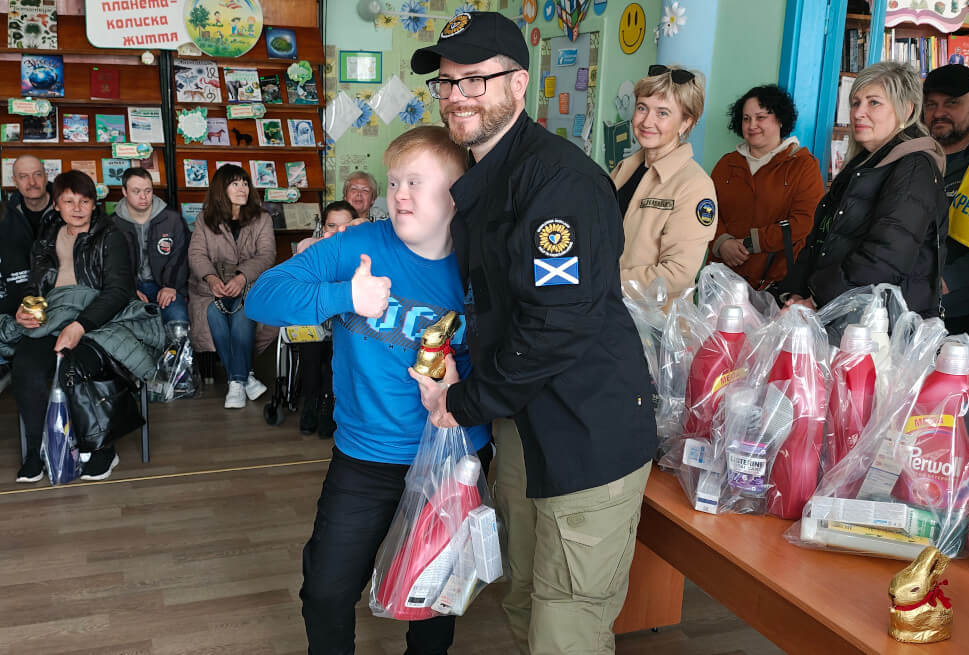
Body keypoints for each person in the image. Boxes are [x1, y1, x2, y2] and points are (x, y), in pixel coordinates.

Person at [409, 12, 656, 654]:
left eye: (475, 80)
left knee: (565, 623)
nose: (458, 95)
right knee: (523, 592)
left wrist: (461, 402)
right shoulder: (481, 176)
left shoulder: (557, 184)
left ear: (519, 86)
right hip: (523, 418)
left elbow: (555, 325)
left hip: (587, 427)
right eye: (447, 82)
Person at [245, 126, 491, 655]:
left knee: (432, 594)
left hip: (453, 459)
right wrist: (345, 293)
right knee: (327, 590)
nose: (399, 194)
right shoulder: (360, 245)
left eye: (416, 183)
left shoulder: (483, 262)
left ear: (456, 193)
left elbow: (517, 355)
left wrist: (462, 390)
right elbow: (261, 297)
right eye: (394, 181)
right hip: (364, 456)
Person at [5, 171, 162, 483]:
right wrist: (26, 308)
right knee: (27, 364)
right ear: (58, 205)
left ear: (94, 205)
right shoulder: (47, 236)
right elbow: (33, 286)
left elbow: (118, 291)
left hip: (98, 317)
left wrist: (80, 325)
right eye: (69, 201)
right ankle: (35, 450)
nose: (77, 208)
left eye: (85, 201)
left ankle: (102, 446)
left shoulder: (111, 235)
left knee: (76, 364)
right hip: (53, 315)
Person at [779, 61, 947, 318]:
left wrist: (815, 300)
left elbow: (885, 256)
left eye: (874, 102)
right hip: (839, 313)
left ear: (906, 109)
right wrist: (795, 293)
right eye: (855, 102)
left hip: (879, 326)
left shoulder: (914, 167)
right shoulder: (864, 162)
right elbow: (821, 240)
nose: (858, 112)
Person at [611, 64, 717, 301]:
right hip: (608, 311)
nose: (647, 122)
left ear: (685, 122)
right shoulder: (623, 170)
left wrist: (602, 281)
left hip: (654, 326)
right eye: (642, 108)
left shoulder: (694, 186)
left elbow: (677, 274)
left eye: (662, 113)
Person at [710, 84, 824, 289]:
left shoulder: (803, 164)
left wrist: (753, 242)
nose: (752, 125)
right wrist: (722, 242)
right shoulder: (726, 164)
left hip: (775, 282)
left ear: (780, 119)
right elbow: (706, 211)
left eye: (760, 117)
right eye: (746, 118)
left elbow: (804, 221)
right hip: (723, 281)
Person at [187, 164, 275, 409]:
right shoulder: (205, 219)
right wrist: (212, 278)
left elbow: (267, 255)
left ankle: (235, 383)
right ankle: (243, 377)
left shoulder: (262, 218)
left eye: (245, 183)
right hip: (210, 288)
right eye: (235, 184)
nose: (242, 189)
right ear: (221, 189)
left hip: (248, 285)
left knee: (241, 310)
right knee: (213, 311)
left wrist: (241, 277)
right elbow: (196, 254)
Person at [922, 64, 969, 350]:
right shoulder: (915, 154)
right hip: (901, 309)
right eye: (931, 104)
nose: (939, 112)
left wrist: (947, 279)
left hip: (959, 316)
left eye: (952, 103)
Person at [295, 200, 359, 438]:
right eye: (331, 225)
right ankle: (310, 402)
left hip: (348, 319)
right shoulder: (309, 247)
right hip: (316, 317)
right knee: (311, 344)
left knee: (340, 345)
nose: (338, 231)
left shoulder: (362, 252)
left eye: (345, 226)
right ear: (323, 227)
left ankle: (327, 404)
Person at [0, 155, 60, 392]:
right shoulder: (5, 214)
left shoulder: (66, 207)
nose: (32, 182)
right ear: (14, 181)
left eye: (37, 174)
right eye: (23, 176)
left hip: (58, 297)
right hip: (18, 298)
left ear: (46, 176)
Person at [113, 167, 191, 326]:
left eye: (148, 191)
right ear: (124, 191)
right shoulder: (113, 224)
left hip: (165, 284)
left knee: (178, 321)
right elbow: (112, 264)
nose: (143, 196)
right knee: (127, 327)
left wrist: (170, 286)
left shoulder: (172, 219)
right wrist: (128, 290)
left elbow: (181, 255)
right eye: (136, 191)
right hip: (130, 287)